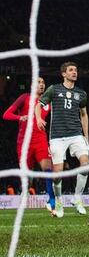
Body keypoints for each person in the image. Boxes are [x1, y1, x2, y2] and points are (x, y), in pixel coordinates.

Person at [35, 62, 89, 217]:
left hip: (76, 134)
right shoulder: (54, 89)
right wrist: (38, 118)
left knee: (85, 164)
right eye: (71, 70)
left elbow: (84, 115)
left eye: (76, 70)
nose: (75, 72)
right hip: (57, 137)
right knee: (57, 174)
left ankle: (77, 199)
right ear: (63, 74)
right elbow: (38, 105)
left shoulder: (81, 93)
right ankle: (59, 202)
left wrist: (86, 137)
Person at [3, 77, 56, 213]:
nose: (41, 84)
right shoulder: (24, 97)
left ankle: (51, 200)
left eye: (43, 82)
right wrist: (19, 117)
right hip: (24, 141)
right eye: (38, 82)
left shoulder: (48, 102)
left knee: (47, 168)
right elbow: (6, 114)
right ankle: (25, 190)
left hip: (41, 140)